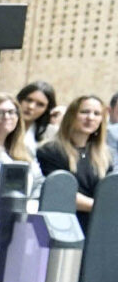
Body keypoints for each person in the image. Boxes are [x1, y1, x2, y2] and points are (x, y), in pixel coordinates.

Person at [36, 92, 107, 220]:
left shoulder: (106, 156)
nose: (90, 117)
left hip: (98, 227)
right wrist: (104, 207)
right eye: (85, 112)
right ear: (71, 116)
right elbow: (61, 194)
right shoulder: (50, 151)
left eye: (97, 114)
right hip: (63, 223)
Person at [14, 79, 57, 149]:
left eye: (40, 104)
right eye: (28, 100)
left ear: (47, 110)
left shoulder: (50, 134)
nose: (31, 107)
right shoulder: (4, 125)